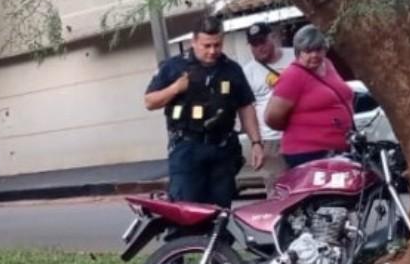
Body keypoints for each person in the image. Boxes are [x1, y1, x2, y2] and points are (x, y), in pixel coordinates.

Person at [145, 17, 265, 207]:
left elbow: (245, 106)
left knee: (219, 210)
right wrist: (175, 88)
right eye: (206, 45)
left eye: (217, 45)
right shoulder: (173, 67)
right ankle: (186, 238)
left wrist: (256, 142)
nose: (212, 51)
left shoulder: (231, 69)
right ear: (193, 42)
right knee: (186, 208)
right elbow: (150, 102)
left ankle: (217, 238)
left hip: (222, 149)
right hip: (187, 148)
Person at [264, 25, 354, 168]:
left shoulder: (328, 64)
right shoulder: (293, 75)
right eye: (308, 51)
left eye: (318, 49)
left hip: (339, 148)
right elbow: (272, 118)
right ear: (298, 52)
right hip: (307, 152)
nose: (314, 55)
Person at [240, 22, 295, 187]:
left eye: (262, 41)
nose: (259, 47)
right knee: (278, 191)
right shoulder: (247, 72)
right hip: (271, 141)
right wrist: (256, 143)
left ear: (273, 37)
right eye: (254, 44)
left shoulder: (295, 57)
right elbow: (247, 110)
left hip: (300, 133)